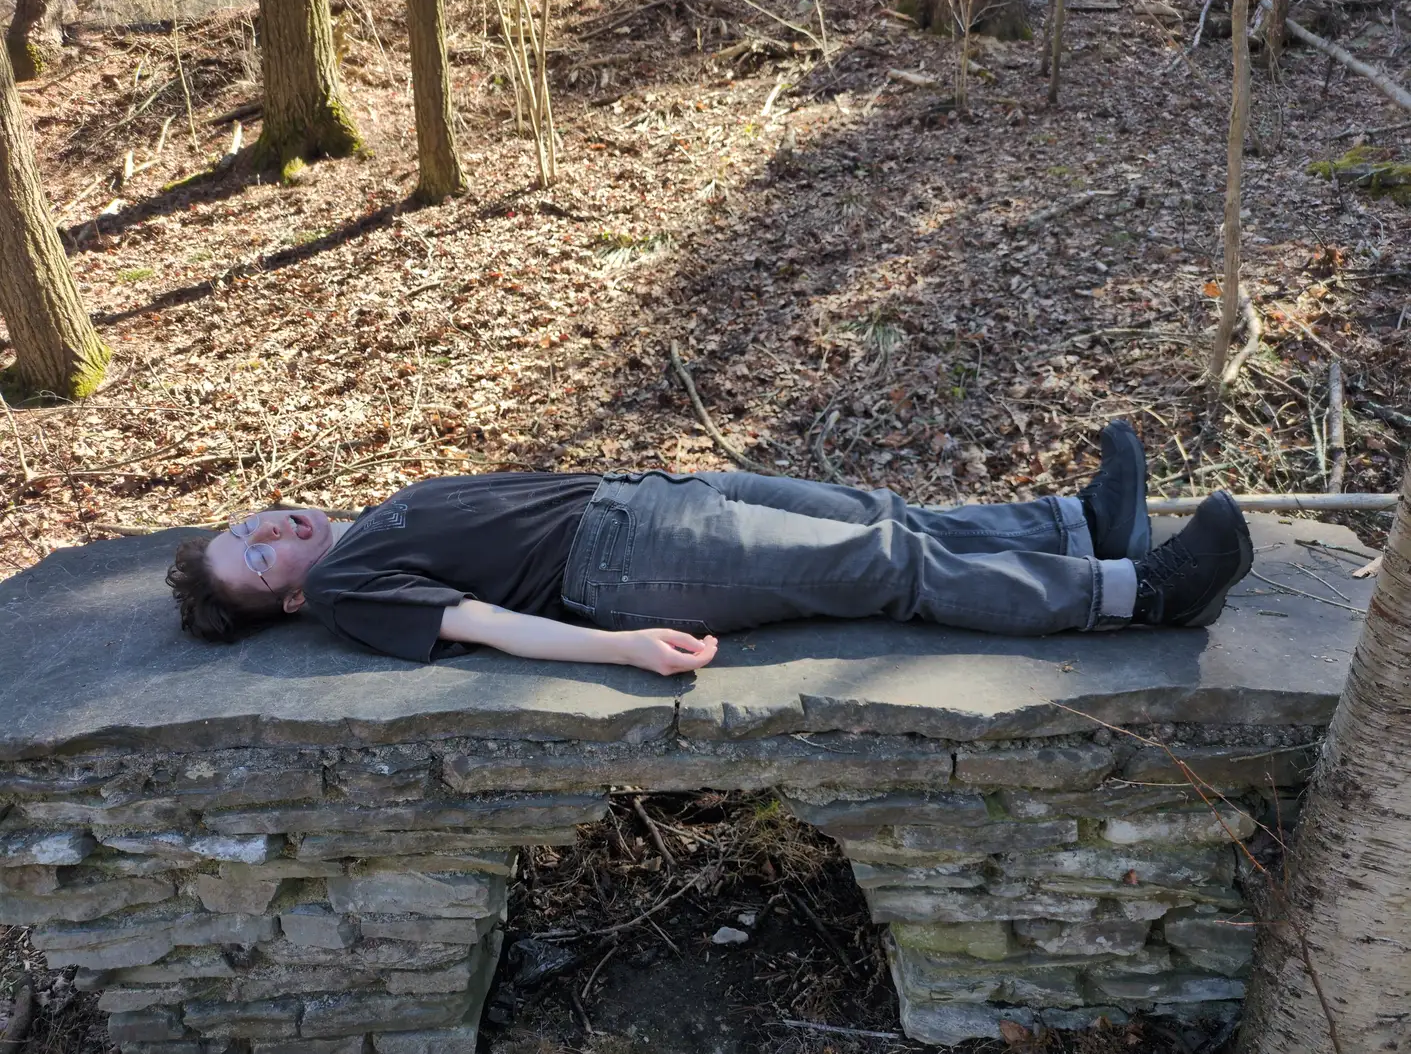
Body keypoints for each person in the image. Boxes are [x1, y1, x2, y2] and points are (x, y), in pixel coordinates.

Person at [166, 422, 1253, 675]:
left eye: (246, 527)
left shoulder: (380, 513)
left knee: (883, 514)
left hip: (649, 497)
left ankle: (1077, 526)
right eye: (255, 565)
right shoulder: (353, 586)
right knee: (885, 564)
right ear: (292, 604)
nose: (266, 535)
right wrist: (625, 648)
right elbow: (477, 624)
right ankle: (1139, 595)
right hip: (626, 562)